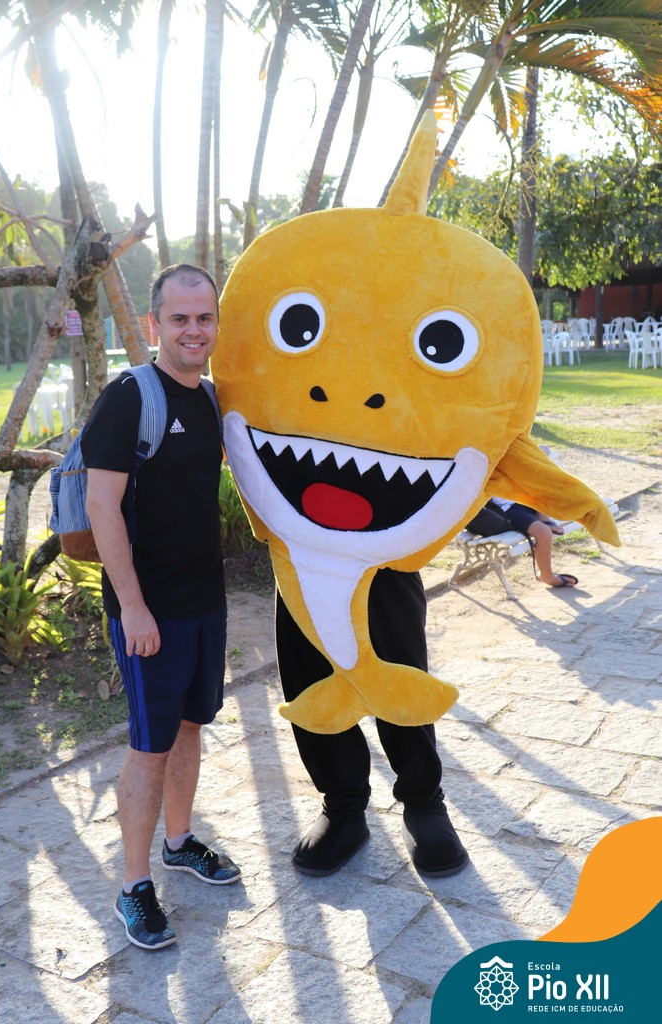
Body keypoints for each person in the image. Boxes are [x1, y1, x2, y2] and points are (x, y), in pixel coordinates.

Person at [83, 263, 240, 952]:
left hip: (204, 601)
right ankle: (133, 885)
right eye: (179, 319)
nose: (193, 330)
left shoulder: (208, 399)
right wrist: (133, 608)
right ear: (155, 325)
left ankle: (178, 843)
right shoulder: (129, 397)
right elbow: (101, 506)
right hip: (150, 611)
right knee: (148, 747)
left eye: (204, 318)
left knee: (189, 728)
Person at [275, 567, 469, 878]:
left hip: (384, 550)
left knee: (399, 665)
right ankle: (343, 805)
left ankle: (423, 800)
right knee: (310, 676)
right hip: (298, 551)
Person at [490, 498, 578, 588]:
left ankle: (542, 515)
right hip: (503, 511)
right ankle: (547, 576)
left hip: (522, 501)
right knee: (543, 532)